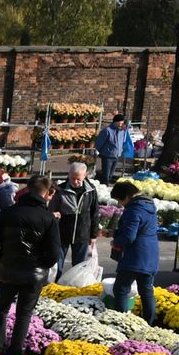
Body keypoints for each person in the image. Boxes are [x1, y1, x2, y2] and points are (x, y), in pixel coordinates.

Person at [0, 175, 61, 355]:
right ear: (46, 192)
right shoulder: (48, 218)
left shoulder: (7, 213)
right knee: (24, 314)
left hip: (8, 270)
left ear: (27, 189)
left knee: (1, 310)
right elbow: (54, 253)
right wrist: (41, 265)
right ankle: (15, 352)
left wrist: (1, 260)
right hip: (33, 274)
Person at [110, 180, 159, 324]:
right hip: (150, 256)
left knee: (120, 290)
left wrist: (116, 242)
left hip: (135, 257)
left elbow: (129, 236)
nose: (120, 204)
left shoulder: (133, 209)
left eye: (120, 200)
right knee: (146, 292)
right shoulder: (149, 206)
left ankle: (122, 322)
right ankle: (148, 324)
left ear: (126, 196)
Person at [49, 162, 99, 278]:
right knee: (57, 265)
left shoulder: (90, 190)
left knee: (79, 267)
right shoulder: (60, 189)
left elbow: (95, 213)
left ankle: (76, 289)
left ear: (85, 175)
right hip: (61, 233)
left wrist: (93, 235)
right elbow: (51, 211)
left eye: (78, 179)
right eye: (72, 178)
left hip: (82, 233)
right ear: (68, 174)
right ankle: (54, 287)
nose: (75, 182)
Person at [95, 114, 131, 184]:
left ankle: (106, 184)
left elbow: (123, 139)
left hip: (117, 155)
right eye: (120, 122)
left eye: (122, 122)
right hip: (107, 156)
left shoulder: (122, 131)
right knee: (106, 175)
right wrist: (97, 151)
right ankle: (104, 186)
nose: (121, 124)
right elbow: (99, 142)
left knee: (110, 175)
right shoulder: (107, 130)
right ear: (115, 122)